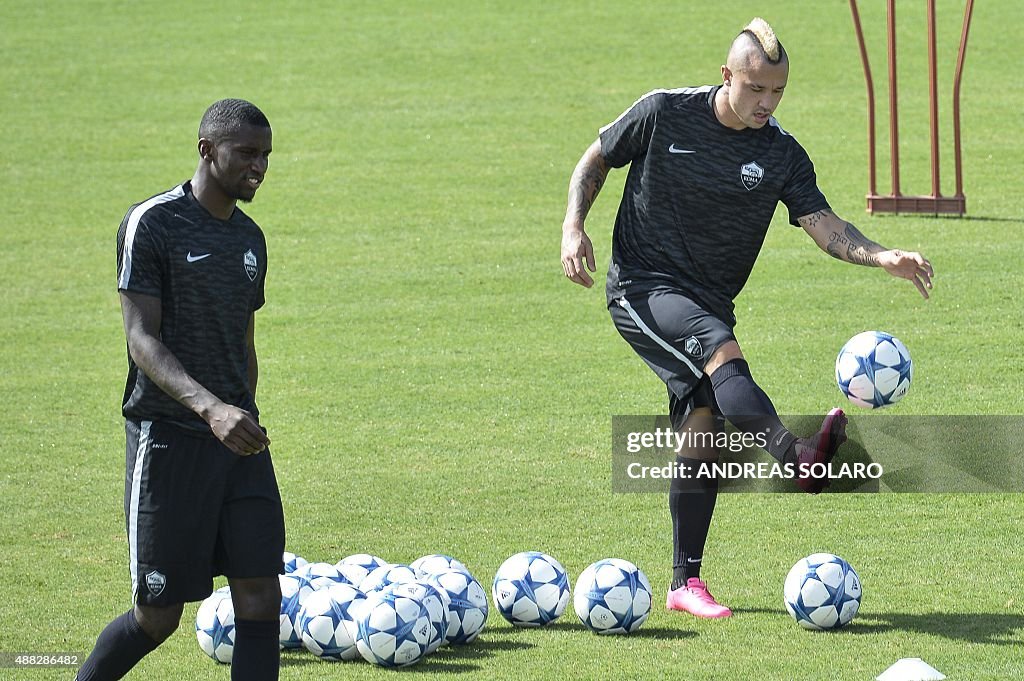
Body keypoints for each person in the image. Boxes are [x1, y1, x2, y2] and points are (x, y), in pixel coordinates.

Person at [560, 19, 933, 619]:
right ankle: (799, 460)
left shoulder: (780, 154)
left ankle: (685, 584)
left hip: (710, 299)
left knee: (704, 423)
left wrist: (880, 255)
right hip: (641, 288)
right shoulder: (664, 113)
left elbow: (825, 225)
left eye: (777, 92)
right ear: (727, 76)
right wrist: (573, 226)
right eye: (756, 89)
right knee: (722, 353)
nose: (766, 103)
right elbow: (597, 159)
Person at [77, 99, 284, 680]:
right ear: (206, 150)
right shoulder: (153, 223)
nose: (259, 166)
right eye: (247, 153)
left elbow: (243, 341)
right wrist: (209, 408)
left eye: (266, 155)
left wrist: (241, 412)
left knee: (260, 596)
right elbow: (141, 340)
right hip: (169, 441)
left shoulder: (250, 239)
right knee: (158, 615)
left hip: (238, 444)